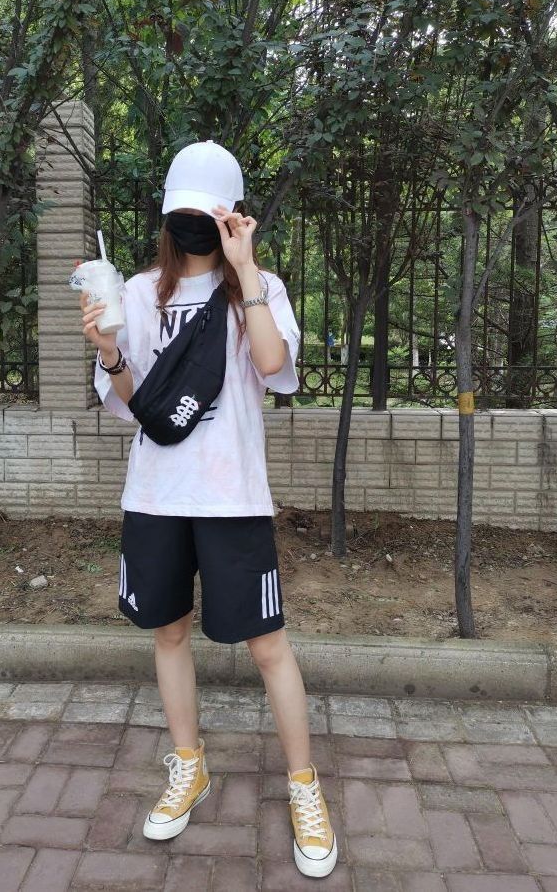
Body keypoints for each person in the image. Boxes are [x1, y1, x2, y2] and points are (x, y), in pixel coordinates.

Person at [79, 140, 338, 879]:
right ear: (168, 217)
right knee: (168, 633)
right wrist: (108, 352)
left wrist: (245, 268)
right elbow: (131, 403)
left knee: (267, 645)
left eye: (210, 214)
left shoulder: (260, 287)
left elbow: (272, 366)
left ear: (233, 216)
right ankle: (188, 765)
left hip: (233, 498)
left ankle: (304, 786)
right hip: (156, 497)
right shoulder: (136, 291)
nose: (194, 226)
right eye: (184, 215)